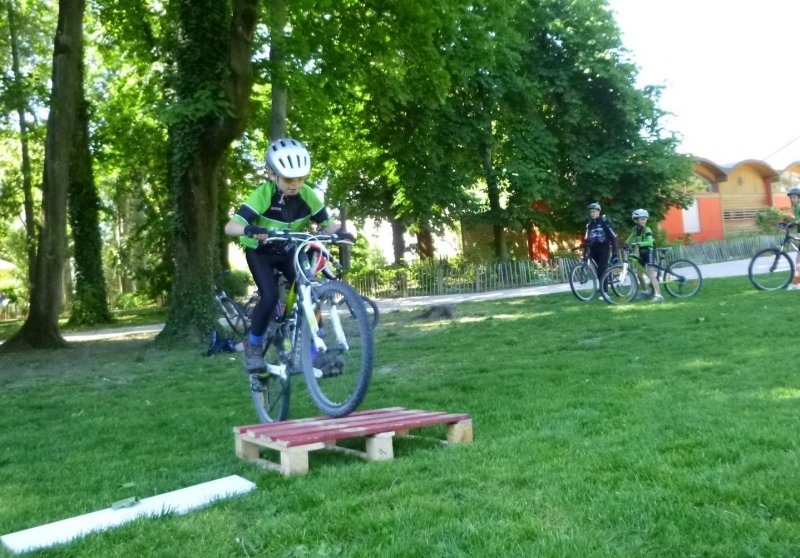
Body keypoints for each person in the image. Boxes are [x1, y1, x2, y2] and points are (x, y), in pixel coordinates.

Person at [224, 138, 355, 372]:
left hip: (288, 249)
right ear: (272, 175)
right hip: (260, 251)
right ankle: (254, 350)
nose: (295, 184)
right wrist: (250, 229)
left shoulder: (308, 195)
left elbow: (327, 224)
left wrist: (340, 233)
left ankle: (317, 354)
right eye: (288, 179)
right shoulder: (263, 195)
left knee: (311, 293)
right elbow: (230, 227)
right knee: (270, 296)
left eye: (300, 178)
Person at [626, 209, 664, 302]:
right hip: (642, 253)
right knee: (639, 274)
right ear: (636, 220)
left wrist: (639, 243)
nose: (643, 221)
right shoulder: (635, 230)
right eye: (641, 219)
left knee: (651, 274)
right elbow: (630, 238)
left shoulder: (647, 229)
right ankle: (645, 291)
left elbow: (650, 242)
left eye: (644, 219)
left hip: (649, 252)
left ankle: (658, 295)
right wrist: (625, 244)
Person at [584, 202, 620, 291]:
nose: (592, 214)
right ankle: (602, 287)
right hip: (593, 249)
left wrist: (615, 252)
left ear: (598, 212)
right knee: (598, 270)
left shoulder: (604, 222)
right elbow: (587, 239)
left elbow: (613, 237)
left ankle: (605, 292)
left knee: (602, 269)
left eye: (594, 212)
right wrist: (585, 252)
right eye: (591, 212)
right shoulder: (589, 225)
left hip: (603, 247)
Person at [784, 187, 800, 290]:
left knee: (798, 260)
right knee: (798, 259)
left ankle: (797, 284)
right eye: (791, 198)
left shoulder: (799, 206)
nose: (792, 199)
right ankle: (796, 283)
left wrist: (792, 224)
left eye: (794, 197)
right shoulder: (795, 208)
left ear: (799, 198)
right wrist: (788, 224)